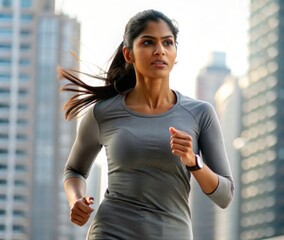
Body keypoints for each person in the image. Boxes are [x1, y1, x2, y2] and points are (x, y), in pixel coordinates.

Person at [59, 9, 234, 239]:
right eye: (148, 42)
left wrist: (194, 162)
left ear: (175, 53)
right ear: (128, 54)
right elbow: (75, 170)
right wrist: (76, 200)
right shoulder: (102, 113)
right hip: (111, 232)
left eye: (167, 43)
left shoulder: (200, 113)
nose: (159, 50)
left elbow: (224, 196)